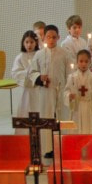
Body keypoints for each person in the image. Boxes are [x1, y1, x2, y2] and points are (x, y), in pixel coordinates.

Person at [30, 25, 71, 158]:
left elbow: (69, 73)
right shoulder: (39, 54)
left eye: (54, 37)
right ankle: (48, 148)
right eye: (48, 37)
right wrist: (39, 77)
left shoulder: (64, 53)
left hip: (61, 89)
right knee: (46, 117)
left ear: (58, 37)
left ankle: (63, 146)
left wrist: (68, 88)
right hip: (46, 91)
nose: (51, 40)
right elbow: (32, 72)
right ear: (44, 38)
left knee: (62, 116)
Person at [11, 31, 39, 135]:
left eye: (31, 42)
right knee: (25, 113)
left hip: (38, 90)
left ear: (36, 43)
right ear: (23, 43)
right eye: (26, 42)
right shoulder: (20, 57)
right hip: (26, 91)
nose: (29, 45)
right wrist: (27, 73)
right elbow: (15, 73)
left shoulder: (39, 55)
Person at [64, 49, 92, 134]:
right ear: (77, 62)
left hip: (89, 107)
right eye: (81, 61)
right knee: (76, 130)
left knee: (89, 129)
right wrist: (69, 96)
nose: (83, 64)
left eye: (86, 61)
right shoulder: (72, 77)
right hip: (77, 107)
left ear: (90, 62)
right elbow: (66, 91)